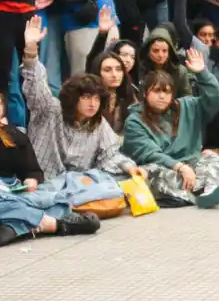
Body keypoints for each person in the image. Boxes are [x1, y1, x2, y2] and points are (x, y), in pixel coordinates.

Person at [0, 81, 102, 245]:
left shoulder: (12, 133)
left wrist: (31, 180)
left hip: (11, 189)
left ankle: (11, 230)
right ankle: (58, 225)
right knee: (6, 206)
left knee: (57, 200)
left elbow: (33, 170)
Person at [19, 18, 140, 180]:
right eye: (86, 97)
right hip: (45, 182)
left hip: (81, 185)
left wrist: (130, 167)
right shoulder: (51, 110)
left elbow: (110, 154)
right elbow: (36, 86)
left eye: (97, 99)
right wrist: (31, 50)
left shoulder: (98, 122)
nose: (92, 103)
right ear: (74, 97)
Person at [122, 48, 219, 209]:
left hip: (192, 163)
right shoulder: (134, 120)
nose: (162, 96)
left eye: (167, 92)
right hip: (164, 167)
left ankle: (210, 192)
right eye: (156, 91)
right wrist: (181, 168)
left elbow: (216, 100)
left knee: (213, 159)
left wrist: (202, 73)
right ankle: (198, 191)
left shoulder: (187, 106)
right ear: (145, 94)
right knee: (152, 173)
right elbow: (150, 154)